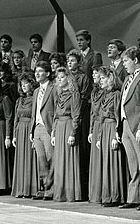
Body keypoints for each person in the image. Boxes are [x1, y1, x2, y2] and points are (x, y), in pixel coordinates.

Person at [117, 46, 140, 210]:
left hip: (137, 124)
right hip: (125, 124)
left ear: (135, 60)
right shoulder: (127, 79)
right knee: (132, 163)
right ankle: (134, 197)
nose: (124, 64)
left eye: (126, 61)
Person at [96, 66, 127, 207]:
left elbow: (117, 115)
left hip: (112, 128)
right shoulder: (105, 94)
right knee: (105, 163)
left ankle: (116, 195)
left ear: (110, 79)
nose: (100, 81)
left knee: (113, 162)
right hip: (104, 130)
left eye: (103, 78)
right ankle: (107, 195)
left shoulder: (116, 94)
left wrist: (116, 135)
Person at [51, 67, 82, 202]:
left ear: (68, 79)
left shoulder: (74, 95)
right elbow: (55, 115)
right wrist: (53, 131)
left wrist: (73, 133)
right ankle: (60, 192)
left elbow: (77, 115)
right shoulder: (58, 95)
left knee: (69, 160)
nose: (59, 79)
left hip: (69, 126)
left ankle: (71, 193)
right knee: (59, 160)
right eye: (58, 77)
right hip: (59, 127)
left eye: (62, 77)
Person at [30, 61, 57, 200]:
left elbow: (57, 109)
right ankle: (44, 187)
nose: (37, 74)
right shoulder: (36, 91)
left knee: (50, 158)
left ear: (47, 73)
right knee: (41, 160)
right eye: (36, 72)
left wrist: (54, 129)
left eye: (40, 71)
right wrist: (31, 130)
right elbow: (34, 112)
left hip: (48, 127)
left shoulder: (53, 88)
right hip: (37, 128)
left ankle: (52, 189)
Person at [67, 50, 91, 199]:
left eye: (73, 60)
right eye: (68, 61)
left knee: (81, 150)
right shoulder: (65, 77)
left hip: (80, 115)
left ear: (79, 62)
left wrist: (78, 116)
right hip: (67, 115)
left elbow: (83, 98)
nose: (70, 63)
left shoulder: (83, 78)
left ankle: (82, 187)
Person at [11, 73, 39, 198]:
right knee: (21, 159)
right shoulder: (19, 100)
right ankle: (21, 188)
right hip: (20, 130)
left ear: (32, 84)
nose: (23, 86)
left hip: (29, 129)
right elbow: (15, 119)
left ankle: (31, 189)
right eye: (21, 84)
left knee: (31, 158)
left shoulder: (35, 98)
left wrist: (33, 133)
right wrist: (14, 135)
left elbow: (35, 116)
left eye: (26, 83)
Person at [87, 66, 104, 204]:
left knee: (102, 160)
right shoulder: (94, 92)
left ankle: (103, 193)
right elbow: (92, 113)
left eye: (96, 74)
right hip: (96, 124)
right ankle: (95, 194)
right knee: (95, 161)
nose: (94, 76)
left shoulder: (106, 91)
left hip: (103, 125)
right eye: (92, 74)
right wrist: (91, 130)